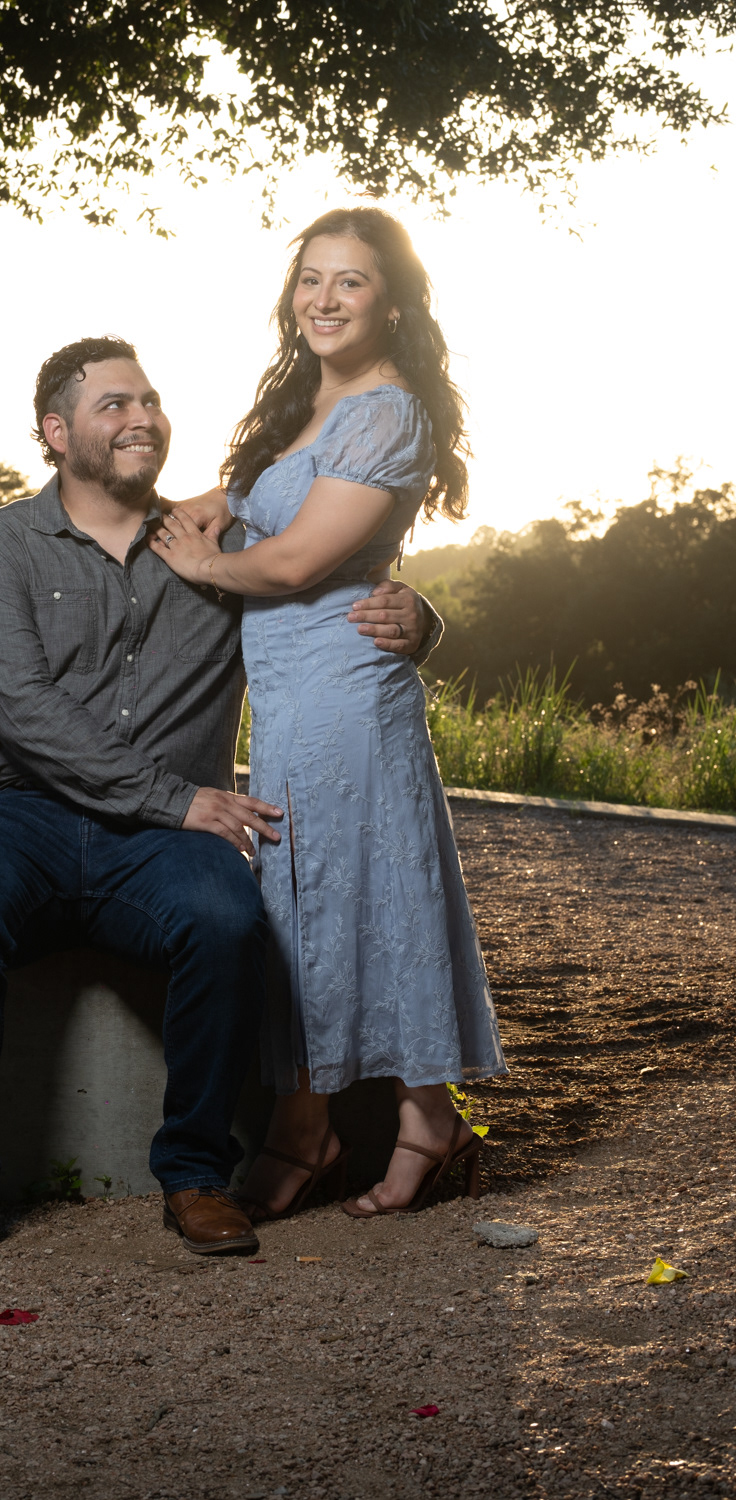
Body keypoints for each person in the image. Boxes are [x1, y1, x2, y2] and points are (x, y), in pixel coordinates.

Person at [0, 334, 440, 1268]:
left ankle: (194, 1174)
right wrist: (174, 798)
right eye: (114, 405)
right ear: (57, 432)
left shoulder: (220, 547)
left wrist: (419, 620)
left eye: (149, 401)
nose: (142, 418)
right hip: (20, 812)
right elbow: (24, 712)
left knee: (227, 918)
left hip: (165, 838)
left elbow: (328, 579)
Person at [151, 208, 507, 1221]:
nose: (324, 298)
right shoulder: (305, 402)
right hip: (291, 696)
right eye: (311, 278)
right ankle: (360, 1122)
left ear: (392, 302)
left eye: (350, 281)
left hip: (348, 692)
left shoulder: (387, 412)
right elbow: (251, 503)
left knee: (362, 897)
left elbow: (300, 560)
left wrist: (208, 564)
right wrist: (215, 503)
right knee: (312, 900)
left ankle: (367, 1124)